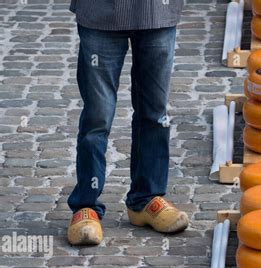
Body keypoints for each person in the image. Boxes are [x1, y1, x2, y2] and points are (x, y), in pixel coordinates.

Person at [67, 0, 188, 247]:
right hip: (100, 12)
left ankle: (147, 199)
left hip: (158, 12)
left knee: (155, 114)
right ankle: (85, 205)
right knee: (97, 118)